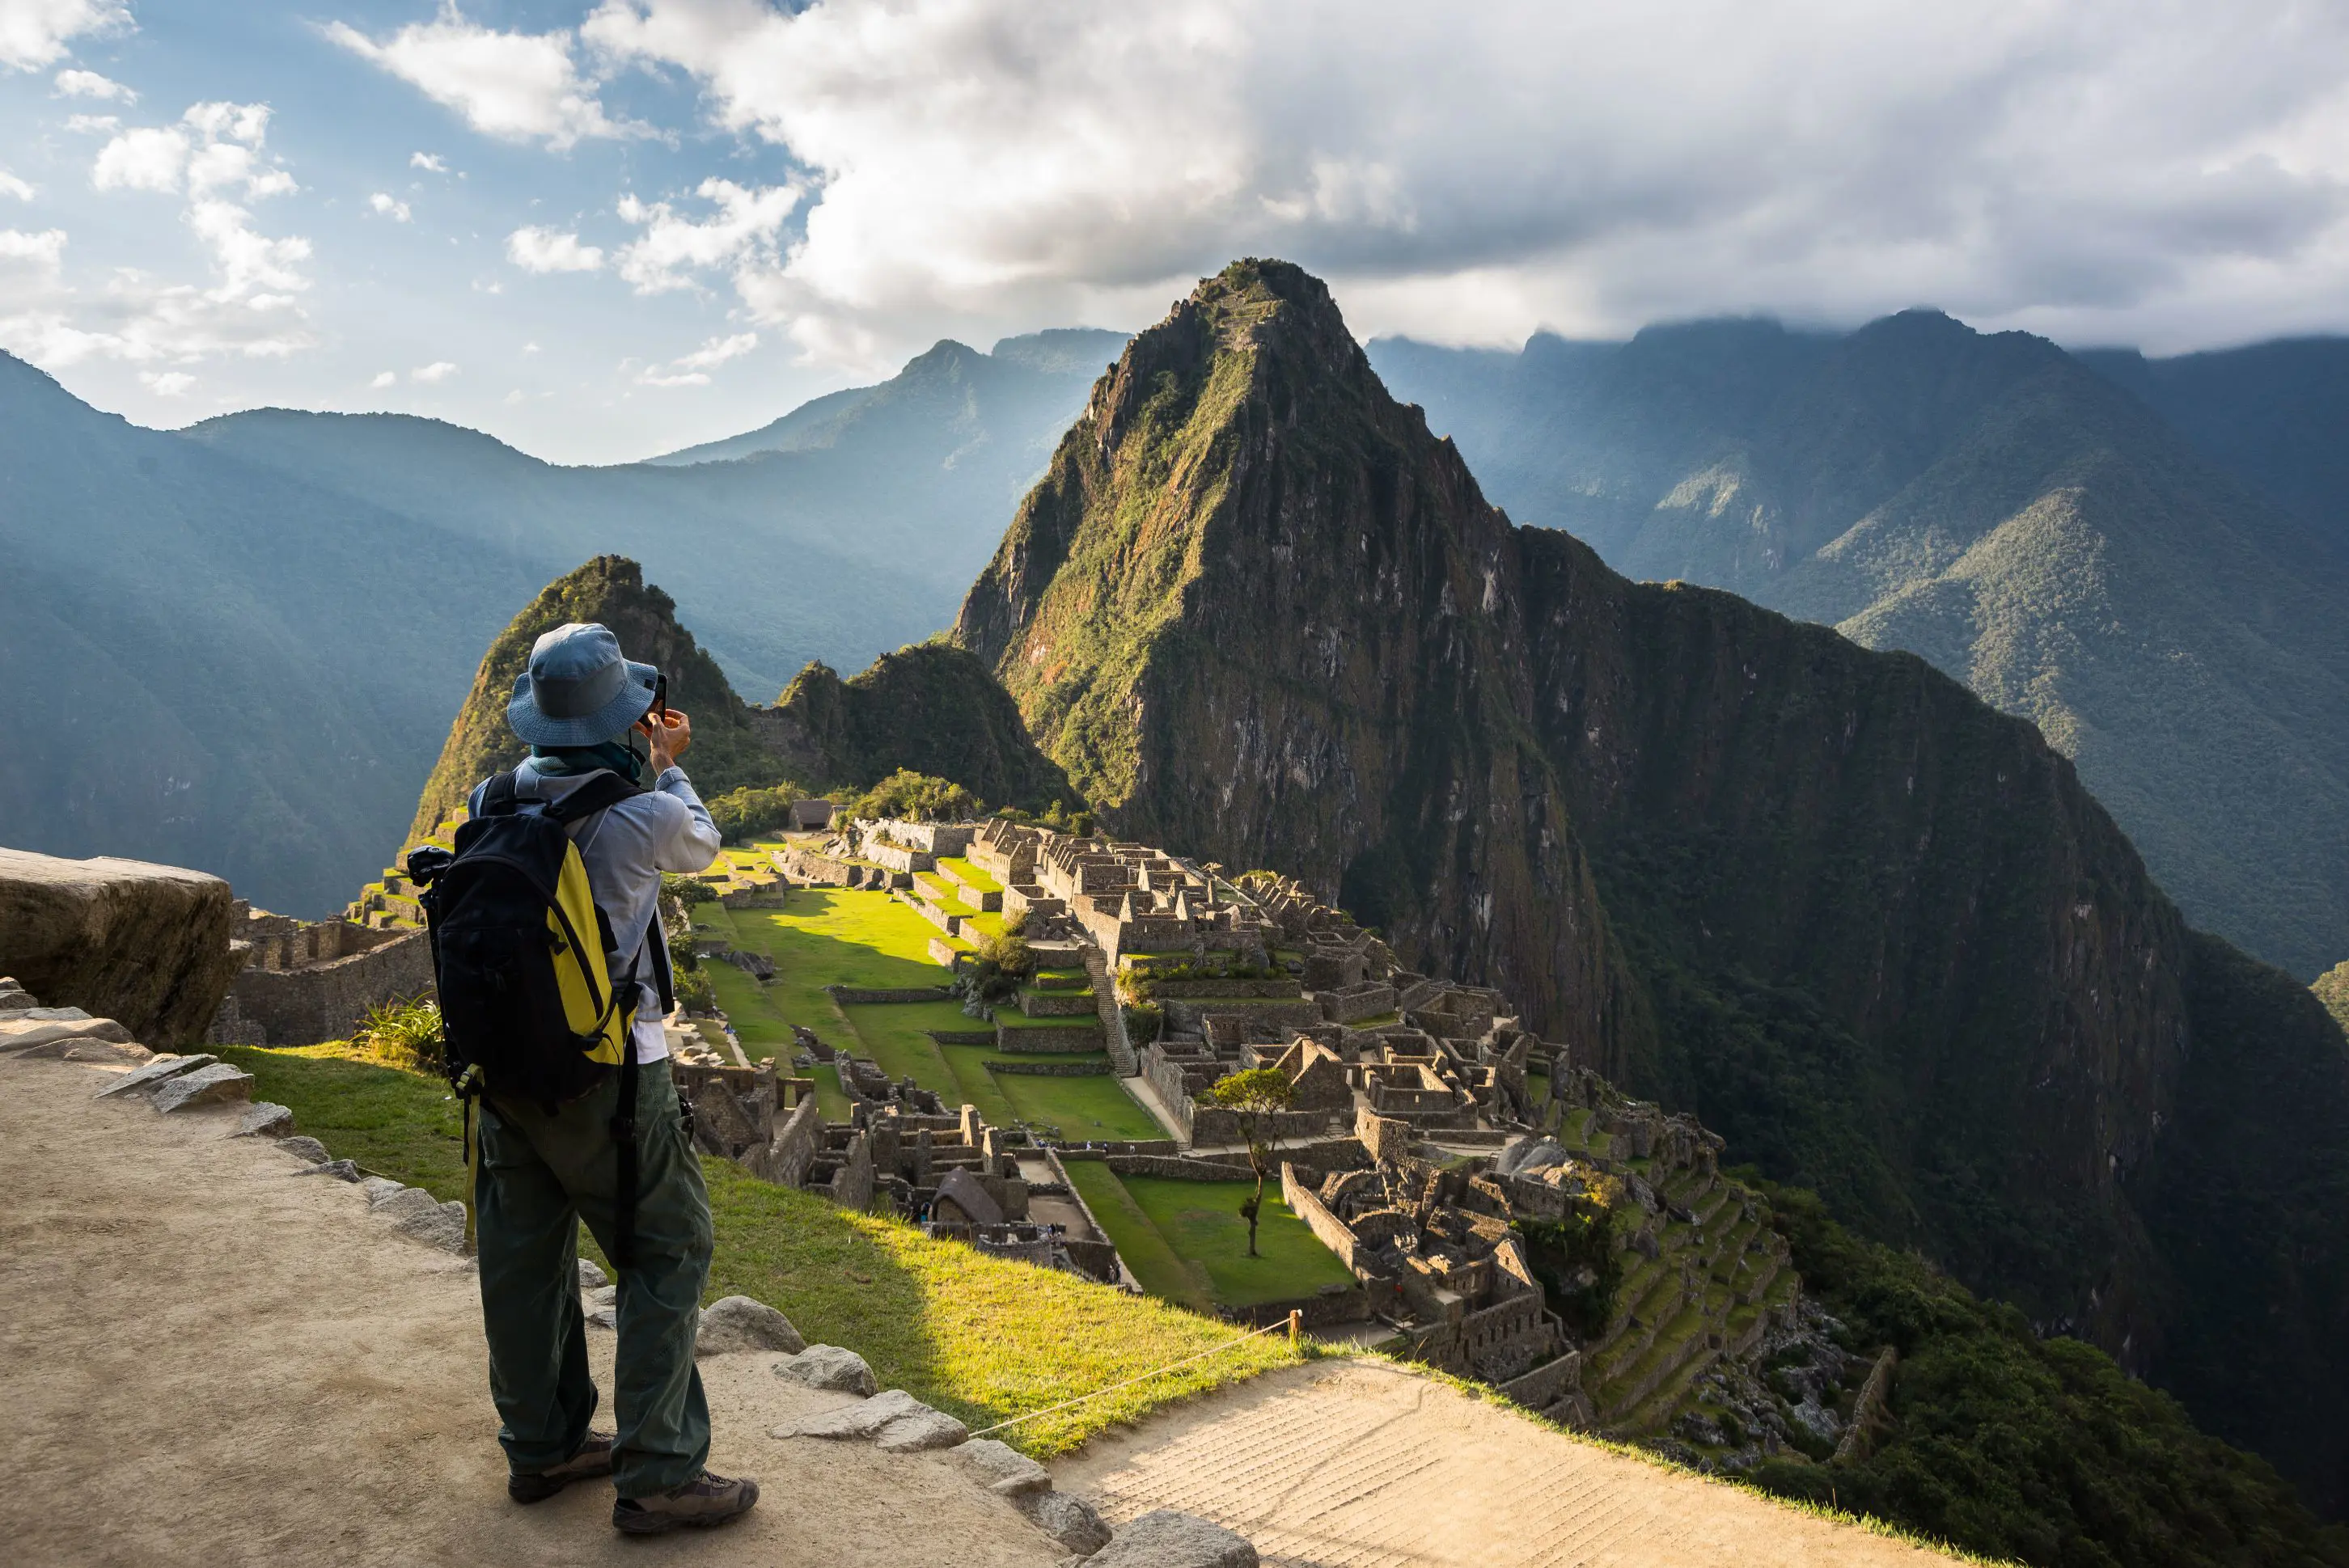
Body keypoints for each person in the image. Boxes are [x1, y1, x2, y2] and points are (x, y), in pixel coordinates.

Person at [464, 621, 759, 1535]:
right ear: (626, 717)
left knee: (523, 1257)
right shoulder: (647, 813)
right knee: (669, 1248)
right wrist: (667, 761)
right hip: (612, 1077)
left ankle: (543, 1443)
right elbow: (702, 839)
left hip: (502, 1070)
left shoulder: (491, 797)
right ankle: (661, 1469)